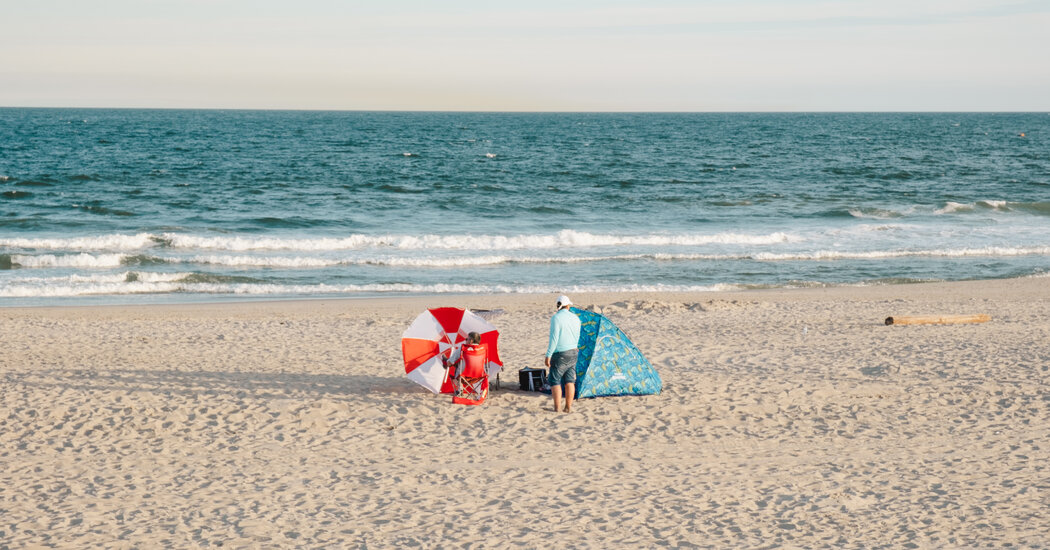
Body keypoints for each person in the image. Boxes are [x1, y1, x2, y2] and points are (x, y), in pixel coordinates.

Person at [545, 295, 581, 413]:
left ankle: (557, 408)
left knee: (555, 380)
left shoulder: (556, 318)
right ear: (568, 305)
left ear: (558, 305)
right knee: (569, 380)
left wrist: (548, 355)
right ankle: (568, 407)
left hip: (560, 353)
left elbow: (554, 338)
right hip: (573, 352)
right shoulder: (576, 318)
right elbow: (577, 336)